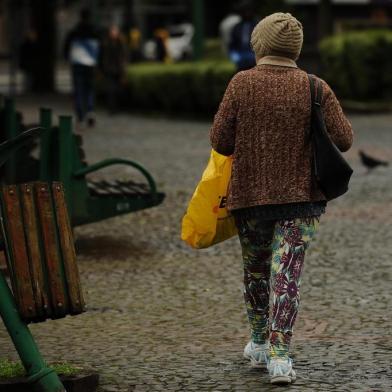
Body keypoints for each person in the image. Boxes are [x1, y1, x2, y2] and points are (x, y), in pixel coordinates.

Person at [210, 13, 353, 385]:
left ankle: (258, 342)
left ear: (259, 45)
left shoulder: (241, 83)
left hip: (250, 196)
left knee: (255, 270)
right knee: (287, 276)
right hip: (302, 200)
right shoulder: (314, 86)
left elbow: (220, 141)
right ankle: (280, 357)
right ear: (296, 48)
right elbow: (345, 139)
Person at [64, 8, 100, 128]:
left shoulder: (74, 31)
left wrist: (67, 58)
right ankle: (90, 110)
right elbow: (101, 48)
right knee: (90, 89)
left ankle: (80, 116)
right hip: (91, 64)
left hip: (77, 64)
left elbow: (65, 48)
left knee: (78, 90)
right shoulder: (95, 31)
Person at [100, 25, 128, 114]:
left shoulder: (121, 43)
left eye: (115, 31)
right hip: (109, 69)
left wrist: (123, 70)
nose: (114, 33)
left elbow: (123, 56)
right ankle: (111, 109)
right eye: (112, 31)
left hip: (119, 70)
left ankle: (117, 107)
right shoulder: (106, 43)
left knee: (118, 90)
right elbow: (103, 56)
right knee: (111, 90)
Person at [228, 1, 257, 71]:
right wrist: (234, 55)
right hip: (241, 59)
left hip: (254, 58)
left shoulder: (258, 25)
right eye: (244, 11)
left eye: (249, 10)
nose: (247, 13)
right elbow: (232, 44)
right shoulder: (237, 27)